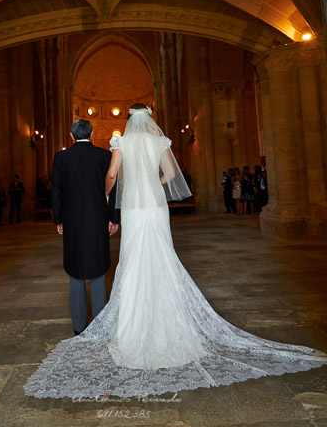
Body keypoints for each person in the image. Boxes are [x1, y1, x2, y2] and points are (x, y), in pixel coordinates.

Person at [24, 104, 327, 400]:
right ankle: (170, 323)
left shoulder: (122, 142)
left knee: (133, 262)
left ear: (129, 121)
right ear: (150, 119)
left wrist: (107, 194)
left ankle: (131, 328)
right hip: (155, 206)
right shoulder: (159, 141)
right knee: (162, 258)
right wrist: (152, 183)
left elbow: (113, 176)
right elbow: (172, 173)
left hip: (133, 207)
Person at [49, 119, 119, 335]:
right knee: (98, 271)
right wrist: (113, 218)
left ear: (71, 135)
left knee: (75, 272)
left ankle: (79, 327)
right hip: (98, 219)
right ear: (92, 135)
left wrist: (59, 219)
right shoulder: (104, 156)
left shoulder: (61, 157)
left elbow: (56, 191)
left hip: (71, 221)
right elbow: (115, 189)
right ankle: (99, 328)